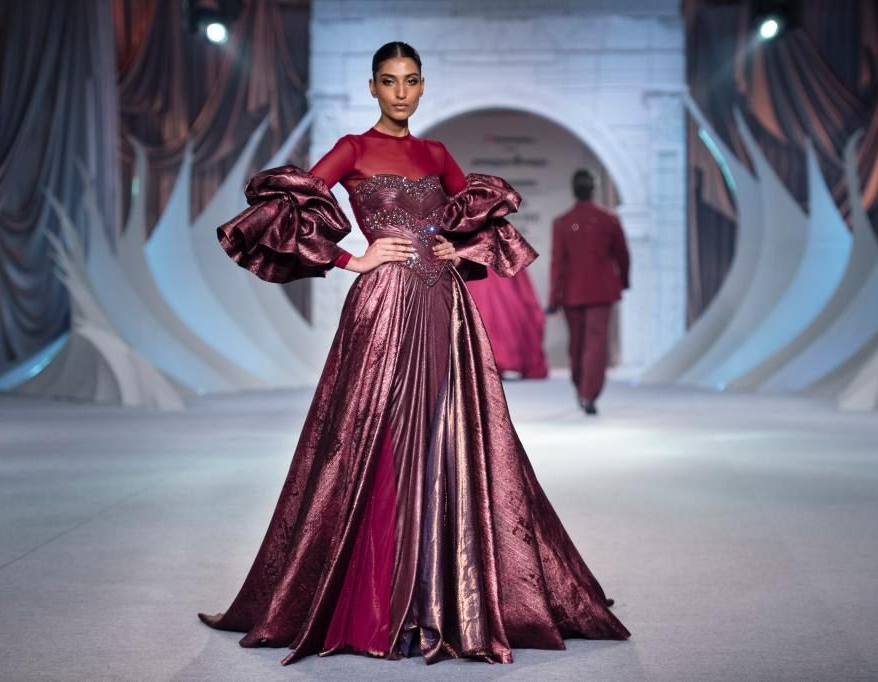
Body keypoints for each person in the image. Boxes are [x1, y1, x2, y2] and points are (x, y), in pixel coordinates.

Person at [199, 42, 630, 666]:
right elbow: (281, 210)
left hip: (445, 307)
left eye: (410, 81)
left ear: (422, 86)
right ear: (372, 87)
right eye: (388, 81)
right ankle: (379, 595)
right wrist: (351, 258)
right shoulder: (352, 148)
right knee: (374, 434)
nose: (400, 92)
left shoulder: (437, 154)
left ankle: (449, 593)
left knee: (451, 436)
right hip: (383, 305)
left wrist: (459, 249)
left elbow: (477, 219)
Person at [547, 169, 631, 416]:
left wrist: (553, 300)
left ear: (573, 189)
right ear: (594, 188)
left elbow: (557, 264)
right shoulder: (608, 219)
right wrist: (624, 281)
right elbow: (623, 255)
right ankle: (588, 393)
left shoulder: (562, 222)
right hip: (602, 290)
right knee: (596, 344)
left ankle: (582, 390)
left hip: (572, 292)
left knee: (577, 344)